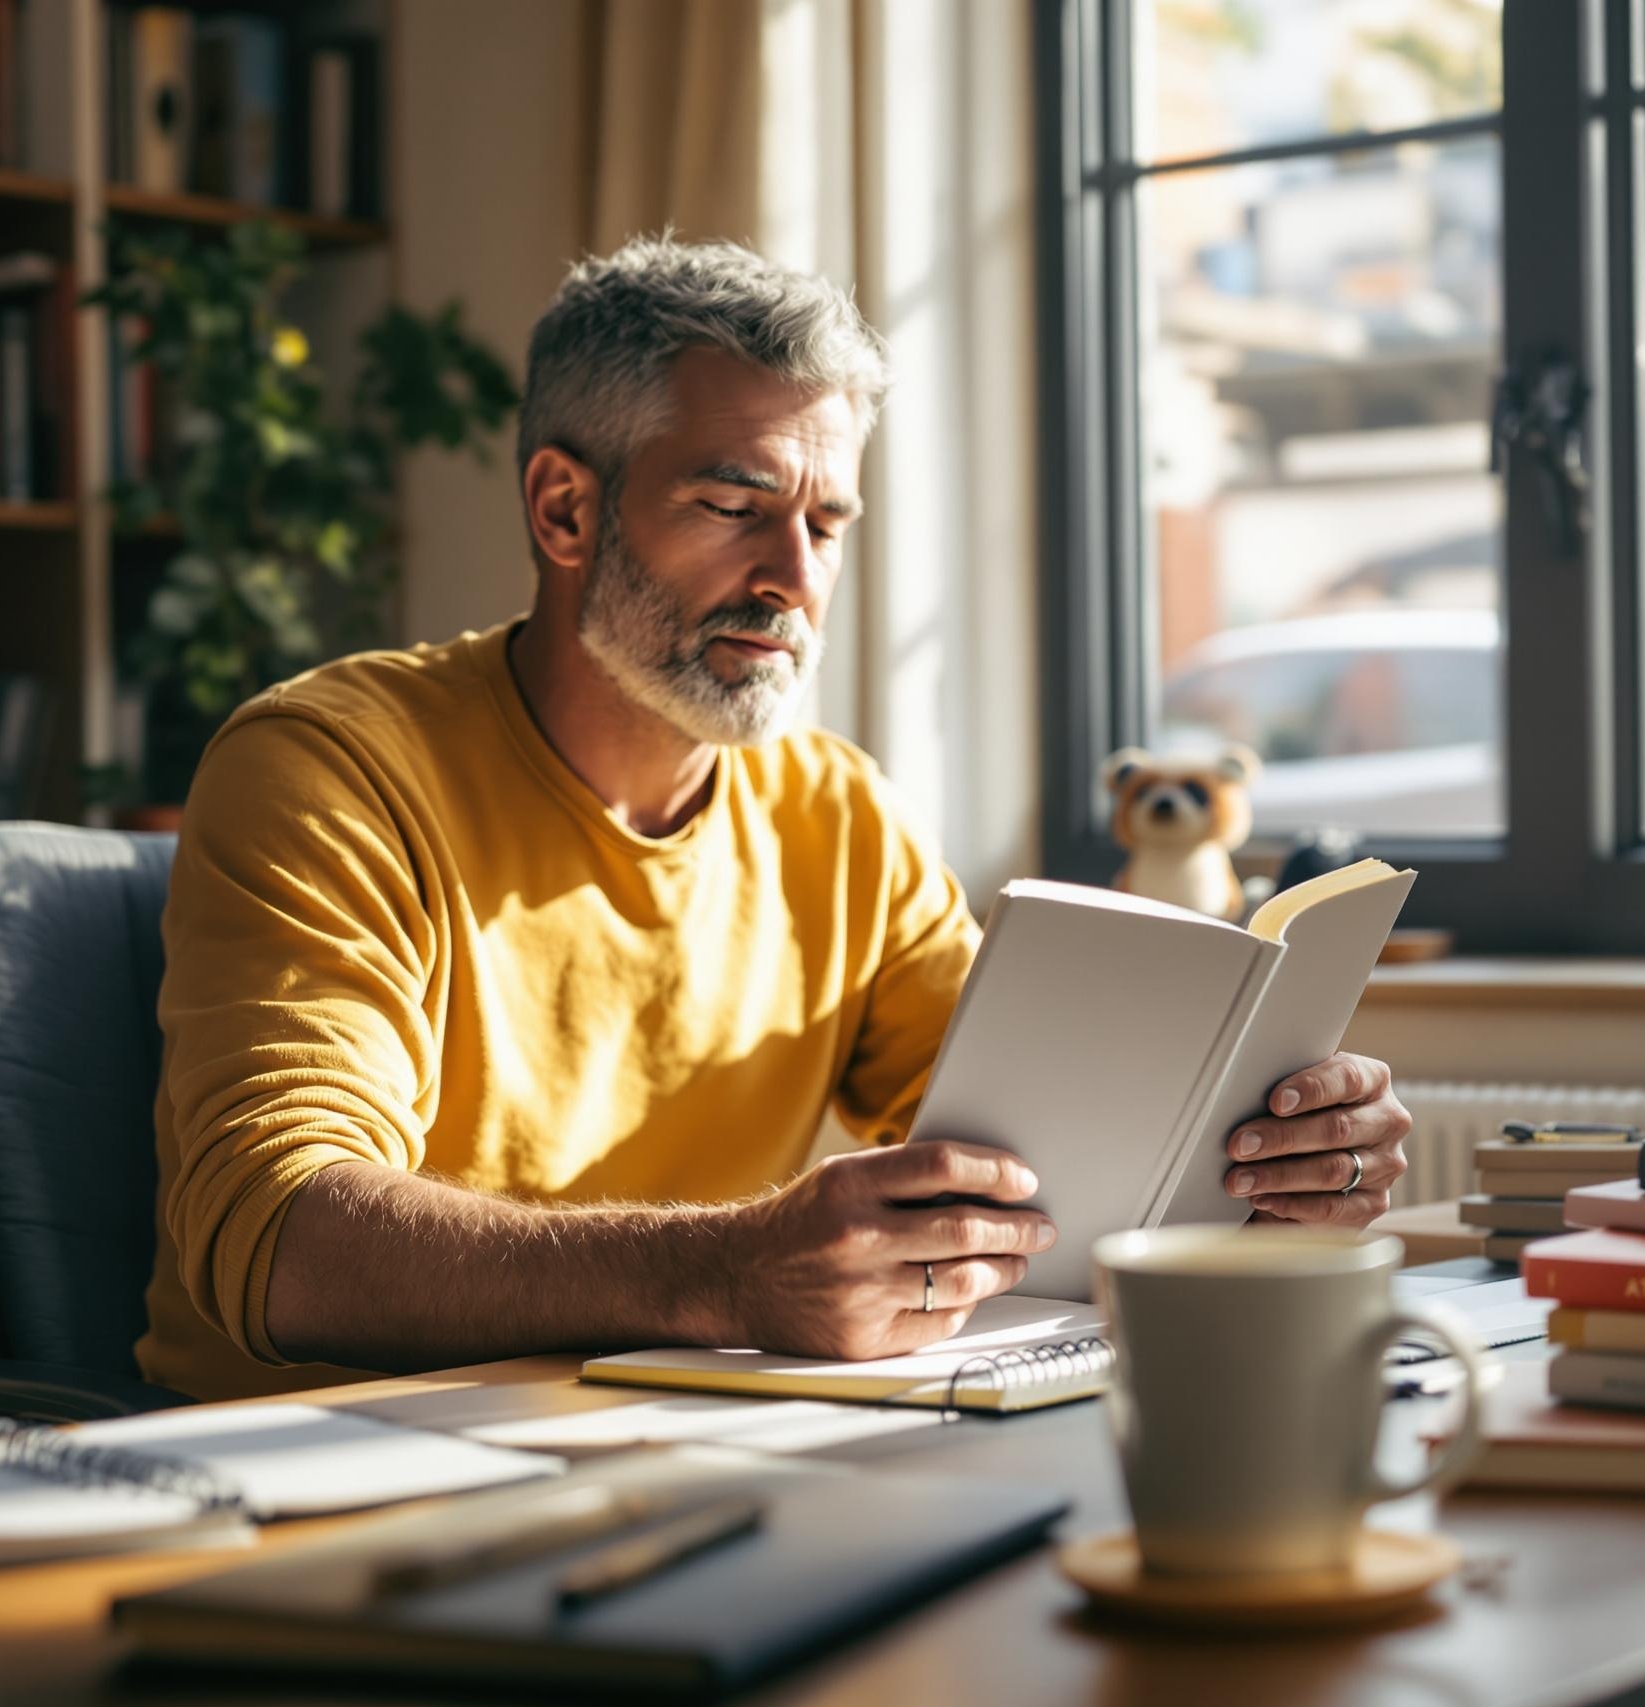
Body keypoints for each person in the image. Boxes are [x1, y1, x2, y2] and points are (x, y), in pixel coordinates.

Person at [134, 236, 1414, 1401]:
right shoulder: (328, 770)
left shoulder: (837, 814)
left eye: (826, 523)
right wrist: (725, 1272)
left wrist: (1263, 1189)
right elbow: (283, 1238)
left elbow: (1043, 1167)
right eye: (735, 508)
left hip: (682, 1446)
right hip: (333, 1469)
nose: (795, 581)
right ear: (563, 509)